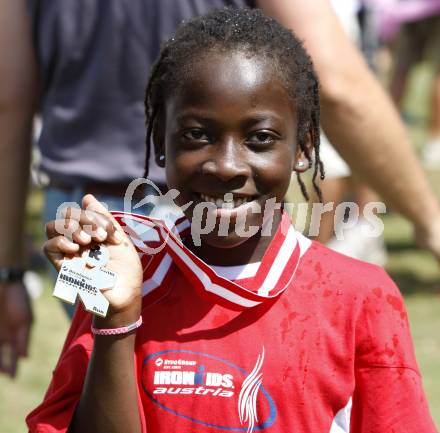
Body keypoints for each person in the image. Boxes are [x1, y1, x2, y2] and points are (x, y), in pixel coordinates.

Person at [27, 9, 437, 433]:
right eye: (197, 135)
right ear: (160, 143)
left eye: (259, 138)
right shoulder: (121, 280)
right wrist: (117, 321)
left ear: (303, 148)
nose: (225, 166)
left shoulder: (360, 297)